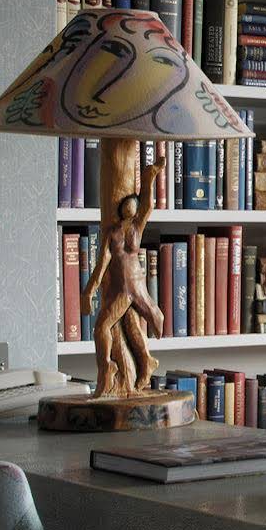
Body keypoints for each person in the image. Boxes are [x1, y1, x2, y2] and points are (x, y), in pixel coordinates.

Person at [78, 150, 167, 395]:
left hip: (134, 283)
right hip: (124, 287)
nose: (130, 205)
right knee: (112, 325)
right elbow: (102, 263)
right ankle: (124, 364)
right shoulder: (115, 232)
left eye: (133, 202)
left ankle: (129, 363)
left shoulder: (135, 227)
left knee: (148, 320)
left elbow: (148, 205)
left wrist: (149, 177)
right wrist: (90, 290)